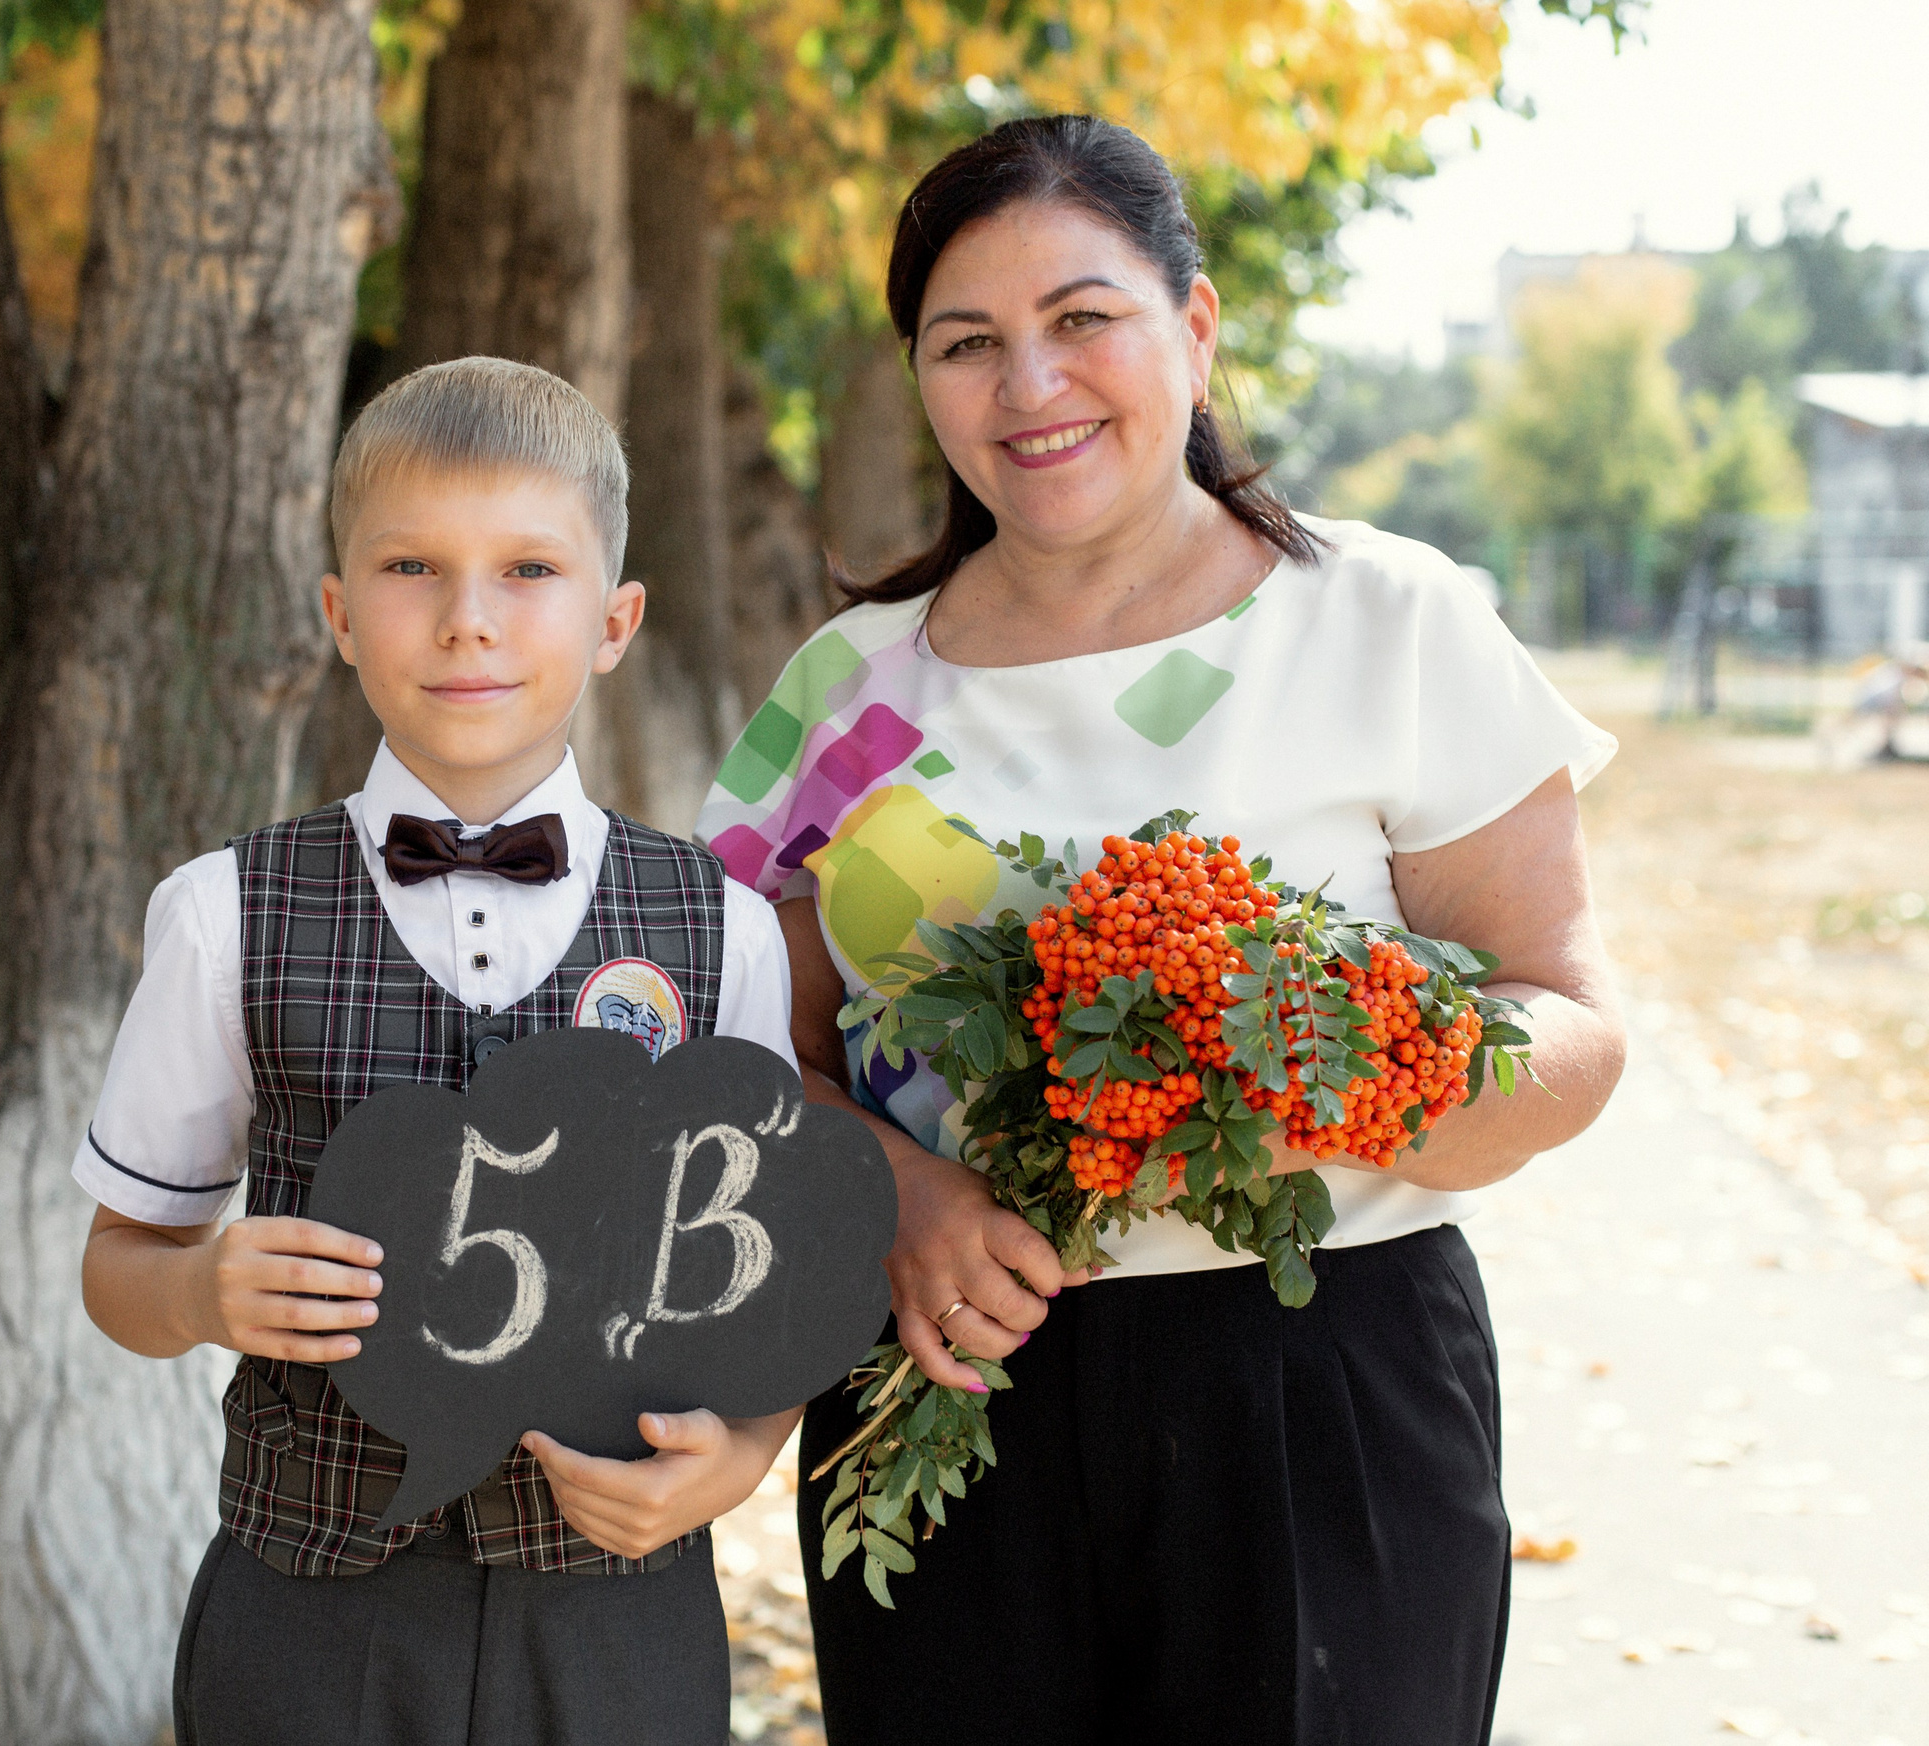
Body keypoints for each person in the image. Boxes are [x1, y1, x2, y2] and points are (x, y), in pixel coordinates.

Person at [696, 117, 1628, 1745]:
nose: (1028, 384)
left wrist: (1340, 1067)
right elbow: (721, 1048)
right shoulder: (846, 689)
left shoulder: (1386, 622)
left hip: (1320, 1382)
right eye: (966, 343)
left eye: (1082, 320)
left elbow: (1570, 1017)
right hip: (942, 1384)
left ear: (1193, 330)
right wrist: (890, 1188)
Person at [75, 357, 802, 1746]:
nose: (469, 620)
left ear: (615, 617)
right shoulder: (226, 911)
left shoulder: (721, 928)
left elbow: (765, 1290)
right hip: (310, 1613)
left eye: (530, 568)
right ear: (342, 614)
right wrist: (204, 1287)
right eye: (414, 566)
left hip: (616, 1617)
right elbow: (120, 1266)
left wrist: (739, 1459)